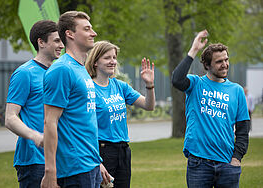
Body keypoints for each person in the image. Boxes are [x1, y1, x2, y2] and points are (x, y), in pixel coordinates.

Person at [172, 30, 250, 188]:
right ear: (207, 65)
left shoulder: (237, 90)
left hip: (228, 164)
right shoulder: (196, 84)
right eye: (219, 61)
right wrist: (194, 49)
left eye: (226, 60)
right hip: (199, 164)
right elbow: (177, 79)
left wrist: (236, 159)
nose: (225, 64)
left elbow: (243, 129)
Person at [41, 11, 102, 188]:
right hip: (74, 169)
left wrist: (98, 162)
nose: (94, 33)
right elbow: (49, 121)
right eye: (87, 29)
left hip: (90, 164)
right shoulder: (62, 69)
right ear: (70, 34)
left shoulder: (81, 69)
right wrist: (50, 171)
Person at [85, 41, 155, 188]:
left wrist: (149, 85)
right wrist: (97, 160)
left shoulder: (120, 86)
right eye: (107, 58)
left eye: (114, 57)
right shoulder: (88, 88)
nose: (113, 62)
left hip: (123, 151)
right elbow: (83, 128)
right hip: (102, 150)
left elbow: (149, 106)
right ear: (95, 61)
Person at [5, 20, 63, 188]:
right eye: (57, 40)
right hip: (35, 160)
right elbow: (10, 118)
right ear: (41, 42)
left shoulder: (59, 72)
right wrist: (35, 136)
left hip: (60, 158)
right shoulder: (24, 73)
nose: (61, 45)